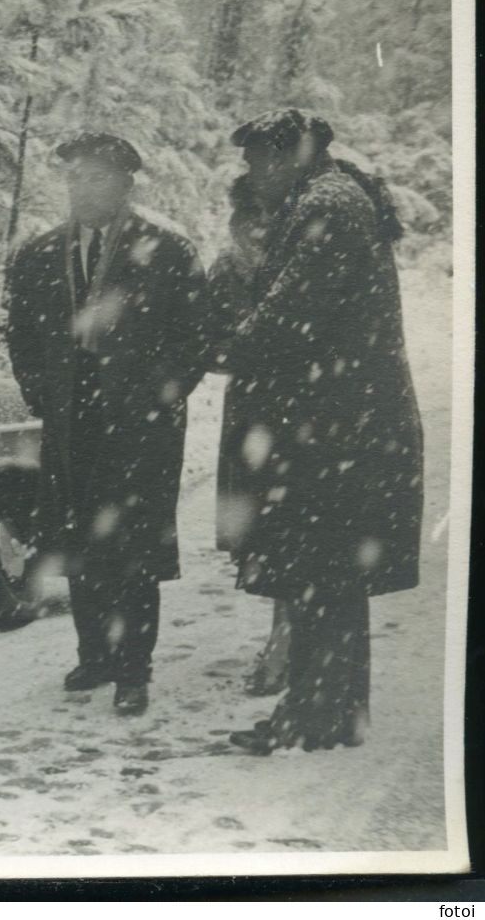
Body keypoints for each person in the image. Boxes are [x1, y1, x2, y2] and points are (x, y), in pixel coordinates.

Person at [218, 108, 424, 755]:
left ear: (286, 156)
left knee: (321, 578)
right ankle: (325, 710)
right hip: (339, 428)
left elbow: (286, 318)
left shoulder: (327, 208)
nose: (251, 175)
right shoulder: (331, 198)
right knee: (326, 579)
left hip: (336, 435)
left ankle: (316, 714)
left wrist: (212, 347)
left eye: (256, 161)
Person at [6, 132, 209, 716]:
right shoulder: (41, 253)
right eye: (72, 179)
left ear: (126, 184)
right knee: (76, 539)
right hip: (71, 421)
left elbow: (195, 338)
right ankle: (93, 654)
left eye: (95, 178)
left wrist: (156, 397)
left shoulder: (166, 250)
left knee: (132, 548)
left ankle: (133, 669)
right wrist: (41, 391)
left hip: (140, 426)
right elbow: (19, 332)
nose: (81, 190)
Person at [207, 175, 290, 696]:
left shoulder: (303, 262)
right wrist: (246, 349)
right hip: (252, 413)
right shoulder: (224, 270)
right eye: (250, 215)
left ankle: (287, 642)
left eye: (268, 214)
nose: (259, 227)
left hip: (303, 413)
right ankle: (282, 638)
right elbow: (209, 346)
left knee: (296, 527)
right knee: (265, 529)